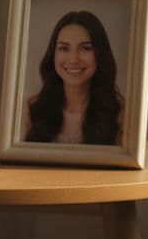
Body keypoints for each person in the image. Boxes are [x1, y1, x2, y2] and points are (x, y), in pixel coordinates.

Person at [23, 10, 124, 145]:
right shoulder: (31, 109)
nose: (73, 59)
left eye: (85, 48)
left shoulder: (121, 114)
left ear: (100, 54)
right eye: (64, 48)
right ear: (53, 54)